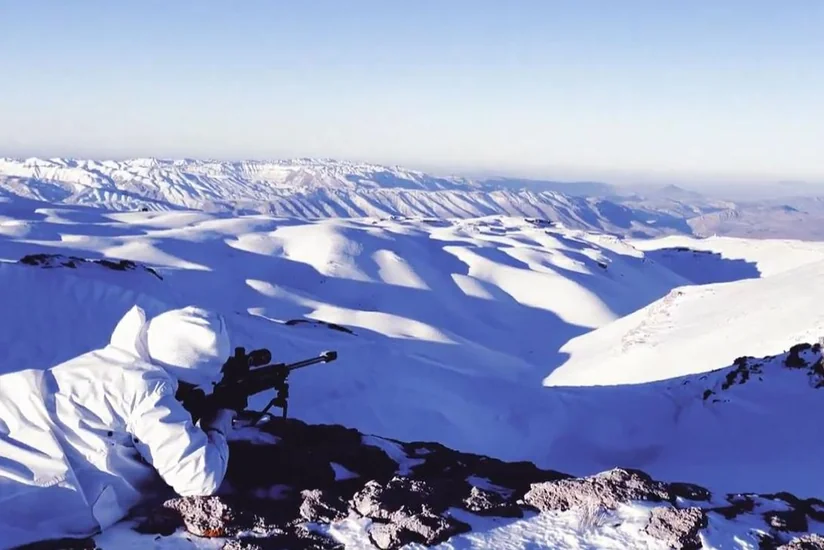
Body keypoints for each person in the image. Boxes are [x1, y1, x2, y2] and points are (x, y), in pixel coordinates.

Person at [0, 304, 238, 549]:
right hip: (34, 478)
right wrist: (218, 424)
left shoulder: (111, 360)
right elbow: (198, 477)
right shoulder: (146, 388)